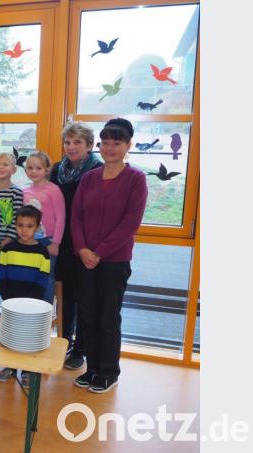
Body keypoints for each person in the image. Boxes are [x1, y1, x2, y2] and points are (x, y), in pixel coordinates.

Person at [71, 118, 147, 394]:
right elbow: (76, 217)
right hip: (85, 259)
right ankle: (91, 369)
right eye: (106, 143)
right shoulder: (89, 178)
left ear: (128, 145)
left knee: (107, 317)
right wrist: (82, 249)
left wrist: (98, 253)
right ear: (100, 146)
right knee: (88, 316)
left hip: (114, 261)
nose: (111, 148)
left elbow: (130, 223)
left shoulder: (136, 179)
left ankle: (108, 372)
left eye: (118, 143)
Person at [50, 122, 103, 371]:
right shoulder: (55, 171)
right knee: (65, 298)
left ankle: (81, 348)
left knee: (85, 299)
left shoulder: (98, 171)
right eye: (67, 142)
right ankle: (65, 342)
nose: (71, 147)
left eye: (77, 142)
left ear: (89, 145)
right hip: (61, 243)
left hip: (85, 244)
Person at [0, 205, 52, 387]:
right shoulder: (7, 249)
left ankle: (27, 370)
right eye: (20, 225)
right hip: (10, 302)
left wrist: (26, 303)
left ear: (37, 227)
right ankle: (10, 366)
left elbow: (42, 281)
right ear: (15, 226)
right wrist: (10, 300)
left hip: (32, 305)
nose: (24, 230)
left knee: (28, 337)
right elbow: (1, 276)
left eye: (29, 226)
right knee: (10, 335)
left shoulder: (43, 252)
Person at [23, 151, 65, 304]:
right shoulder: (24, 192)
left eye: (38, 168)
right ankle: (29, 307)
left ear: (47, 170)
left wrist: (55, 243)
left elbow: (61, 217)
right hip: (29, 241)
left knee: (46, 276)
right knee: (29, 275)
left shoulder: (53, 190)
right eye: (30, 168)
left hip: (48, 241)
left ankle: (44, 310)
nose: (33, 171)